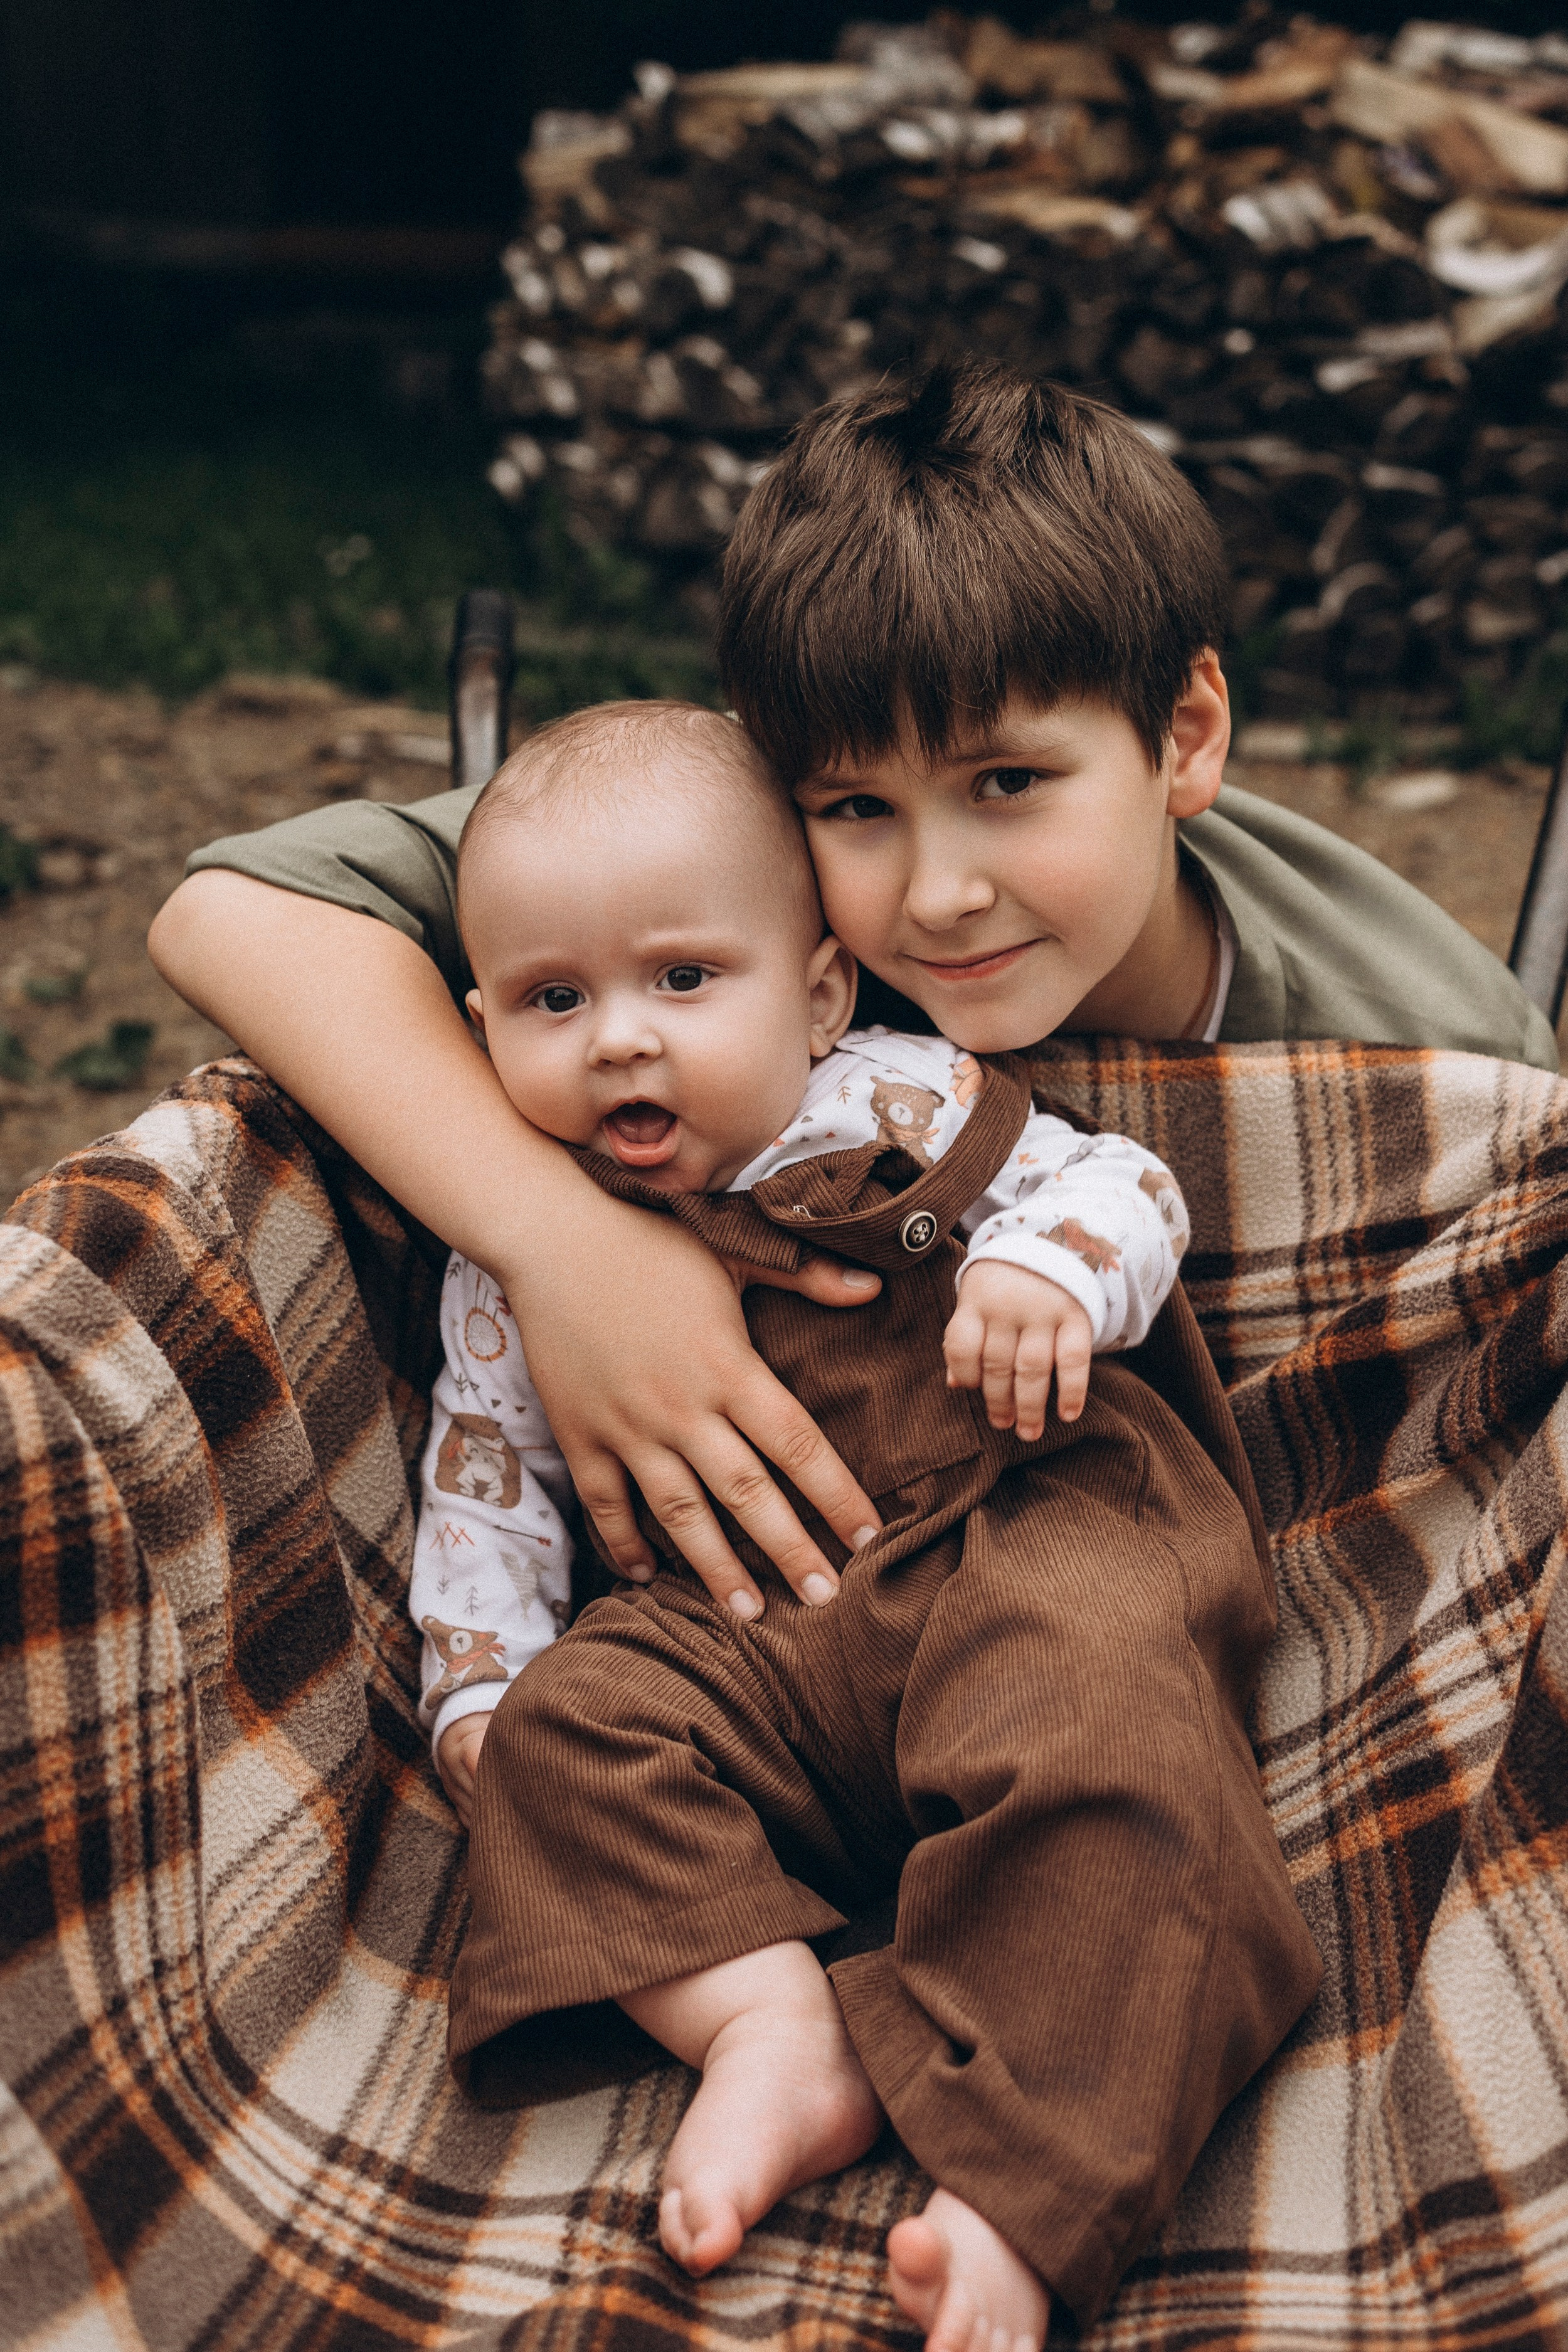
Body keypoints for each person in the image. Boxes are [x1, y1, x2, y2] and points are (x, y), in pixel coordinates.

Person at [147, 358, 1557, 1620]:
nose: (934, 893)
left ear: (1182, 739)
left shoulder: (1429, 1041)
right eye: (855, 808)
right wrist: (566, 1251)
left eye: (1005, 785)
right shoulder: (733, 849)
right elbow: (228, 911)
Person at [421, 697, 1320, 2351]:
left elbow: (1119, 1187)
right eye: (553, 1000)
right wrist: (480, 1687)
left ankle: (1027, 2192)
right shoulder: (518, 1249)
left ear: (817, 989)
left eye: (683, 979)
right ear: (479, 1020)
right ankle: (772, 2020)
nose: (619, 1037)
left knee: (1112, 1721)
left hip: (1005, 1536)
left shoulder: (887, 1106)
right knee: (564, 1731)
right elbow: (485, 1497)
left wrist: (1039, 1270)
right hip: (734, 1636)